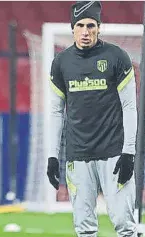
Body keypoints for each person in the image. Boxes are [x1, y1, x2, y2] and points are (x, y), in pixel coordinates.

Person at [45, 1, 138, 236]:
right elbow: (56, 111)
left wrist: (129, 152)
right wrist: (52, 156)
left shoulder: (117, 57)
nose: (85, 31)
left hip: (114, 153)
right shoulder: (61, 63)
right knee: (84, 228)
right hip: (78, 155)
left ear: (99, 27)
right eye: (80, 26)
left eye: (90, 25)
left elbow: (129, 106)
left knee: (124, 225)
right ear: (72, 28)